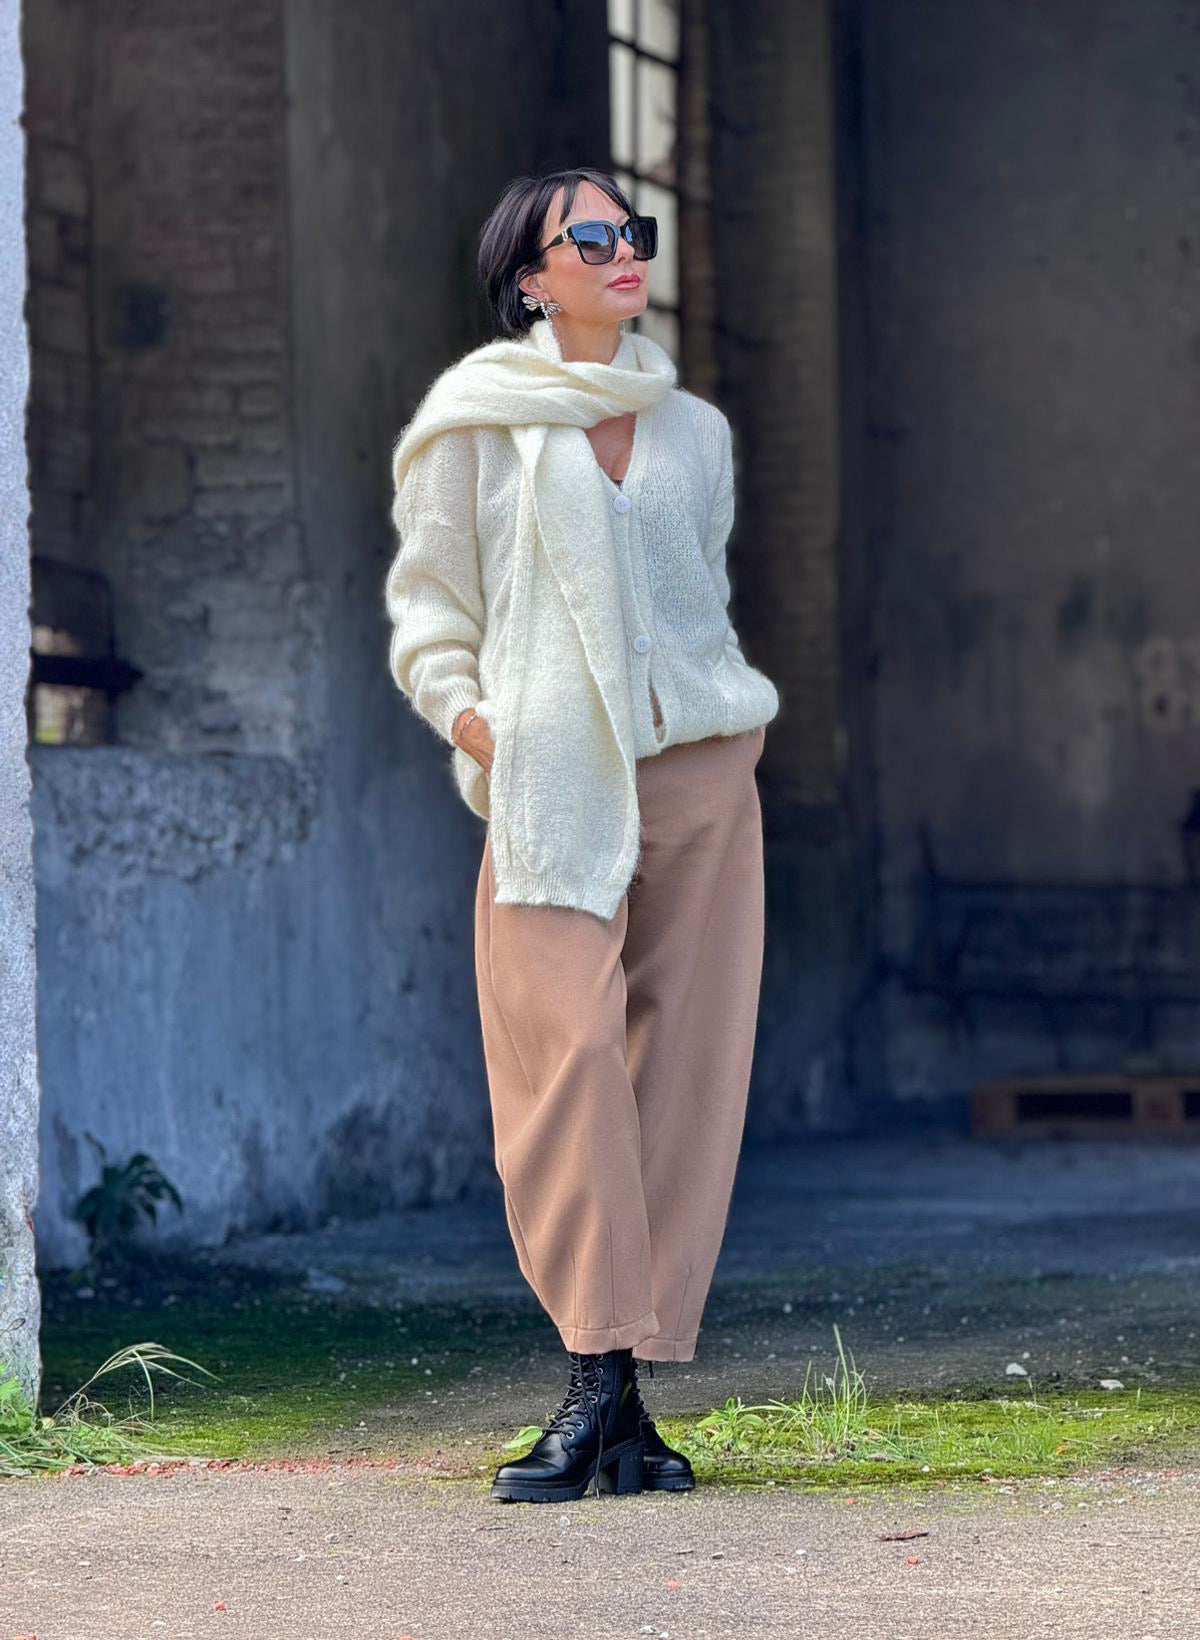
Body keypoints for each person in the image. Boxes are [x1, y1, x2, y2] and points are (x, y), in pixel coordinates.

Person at [385, 167, 780, 1503]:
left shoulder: (695, 432)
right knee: (568, 1064)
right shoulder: (474, 425)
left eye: (634, 233)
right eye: (593, 237)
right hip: (551, 777)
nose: (624, 253)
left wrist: (721, 735)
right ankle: (592, 1374)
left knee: (685, 1074)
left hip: (699, 771)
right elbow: (430, 607)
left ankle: (622, 1397)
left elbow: (694, 600)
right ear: (531, 279)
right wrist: (474, 721)